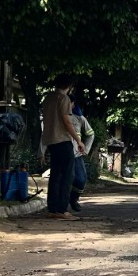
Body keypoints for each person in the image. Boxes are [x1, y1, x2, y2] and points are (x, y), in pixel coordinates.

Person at [40, 74, 84, 220]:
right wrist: (78, 140)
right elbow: (66, 121)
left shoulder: (48, 98)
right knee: (67, 176)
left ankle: (52, 208)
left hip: (50, 140)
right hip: (62, 140)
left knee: (55, 175)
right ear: (70, 86)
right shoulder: (64, 99)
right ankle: (62, 209)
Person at [68, 104, 97, 214]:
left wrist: (86, 149)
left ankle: (73, 199)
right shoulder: (56, 116)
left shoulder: (79, 118)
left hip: (76, 155)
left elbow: (91, 134)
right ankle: (59, 206)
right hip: (61, 154)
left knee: (81, 179)